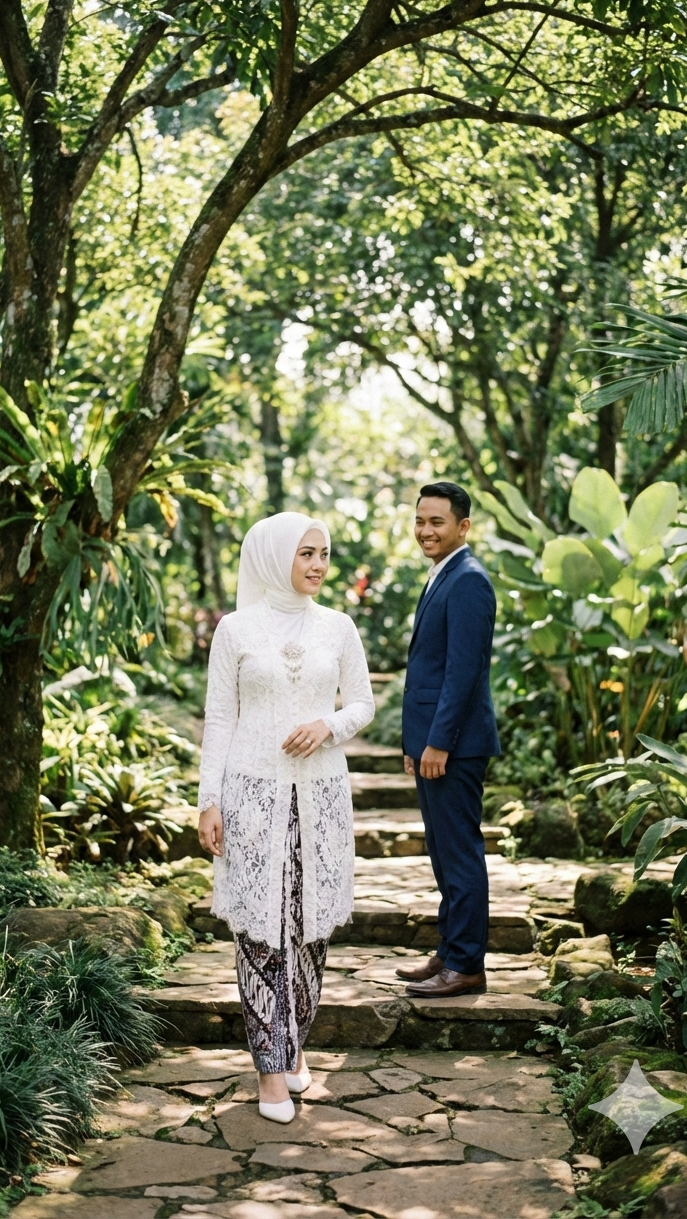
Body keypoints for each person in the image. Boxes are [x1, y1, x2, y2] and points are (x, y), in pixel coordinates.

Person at [197, 511, 374, 1124]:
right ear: (276, 557)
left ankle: (293, 1040)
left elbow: (362, 703)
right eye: (306, 553)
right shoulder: (235, 630)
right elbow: (220, 718)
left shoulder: (338, 627)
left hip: (321, 800)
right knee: (259, 932)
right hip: (251, 798)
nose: (319, 565)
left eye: (323, 553)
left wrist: (329, 725)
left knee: (309, 930)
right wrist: (209, 800)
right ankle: (270, 1071)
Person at [397, 481, 501, 997]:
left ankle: (466, 965)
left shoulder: (469, 581)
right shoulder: (443, 574)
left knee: (459, 853)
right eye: (420, 521)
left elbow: (463, 672)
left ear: (463, 526)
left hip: (456, 746)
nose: (425, 531)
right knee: (443, 852)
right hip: (434, 743)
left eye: (436, 522)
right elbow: (428, 669)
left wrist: (438, 742)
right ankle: (450, 950)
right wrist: (414, 743)